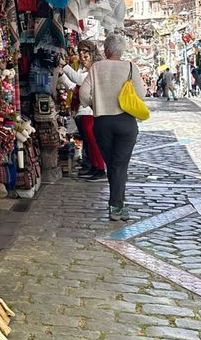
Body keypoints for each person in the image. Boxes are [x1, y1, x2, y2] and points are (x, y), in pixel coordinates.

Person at [79, 32, 145, 221]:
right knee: (119, 165)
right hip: (126, 122)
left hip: (103, 123)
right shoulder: (130, 67)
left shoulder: (96, 67)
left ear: (106, 49)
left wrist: (94, 104)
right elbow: (141, 94)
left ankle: (117, 205)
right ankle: (117, 206)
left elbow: (83, 93)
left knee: (114, 165)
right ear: (121, 50)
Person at [60, 41, 106, 180]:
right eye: (79, 50)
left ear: (91, 52)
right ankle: (94, 166)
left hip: (89, 109)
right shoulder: (80, 67)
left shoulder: (95, 68)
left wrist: (65, 67)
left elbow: (80, 81)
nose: (81, 53)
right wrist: (62, 75)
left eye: (85, 51)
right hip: (81, 109)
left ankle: (100, 168)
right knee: (88, 141)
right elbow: (74, 86)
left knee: (93, 141)